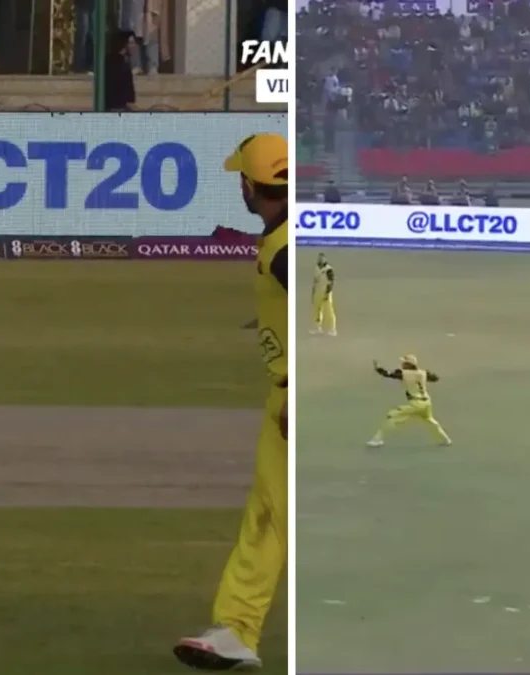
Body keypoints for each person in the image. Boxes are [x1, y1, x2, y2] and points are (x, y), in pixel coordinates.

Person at [173, 133, 288, 672]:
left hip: (293, 399)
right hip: (284, 397)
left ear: (249, 184)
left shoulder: (284, 248)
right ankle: (237, 628)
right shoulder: (285, 238)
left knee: (284, 519)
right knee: (267, 516)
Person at [366, 355, 452, 447]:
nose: (402, 364)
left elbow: (388, 374)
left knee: (391, 416)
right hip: (427, 402)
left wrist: (378, 369)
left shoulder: (403, 373)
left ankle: (377, 439)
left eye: (404, 363)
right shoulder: (423, 372)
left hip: (416, 404)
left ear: (408, 364)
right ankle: (445, 439)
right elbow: (435, 378)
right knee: (430, 420)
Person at [104, 30, 136, 111]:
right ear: (124, 45)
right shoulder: (121, 65)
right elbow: (127, 98)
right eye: (131, 43)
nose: (134, 46)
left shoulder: (109, 61)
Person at [310, 252, 336, 336]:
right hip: (318, 291)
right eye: (319, 258)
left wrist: (328, 292)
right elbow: (315, 281)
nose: (320, 260)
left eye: (322, 258)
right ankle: (317, 328)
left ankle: (332, 329)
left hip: (325, 291)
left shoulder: (328, 269)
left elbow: (331, 282)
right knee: (316, 310)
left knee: (328, 311)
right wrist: (313, 292)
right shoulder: (316, 268)